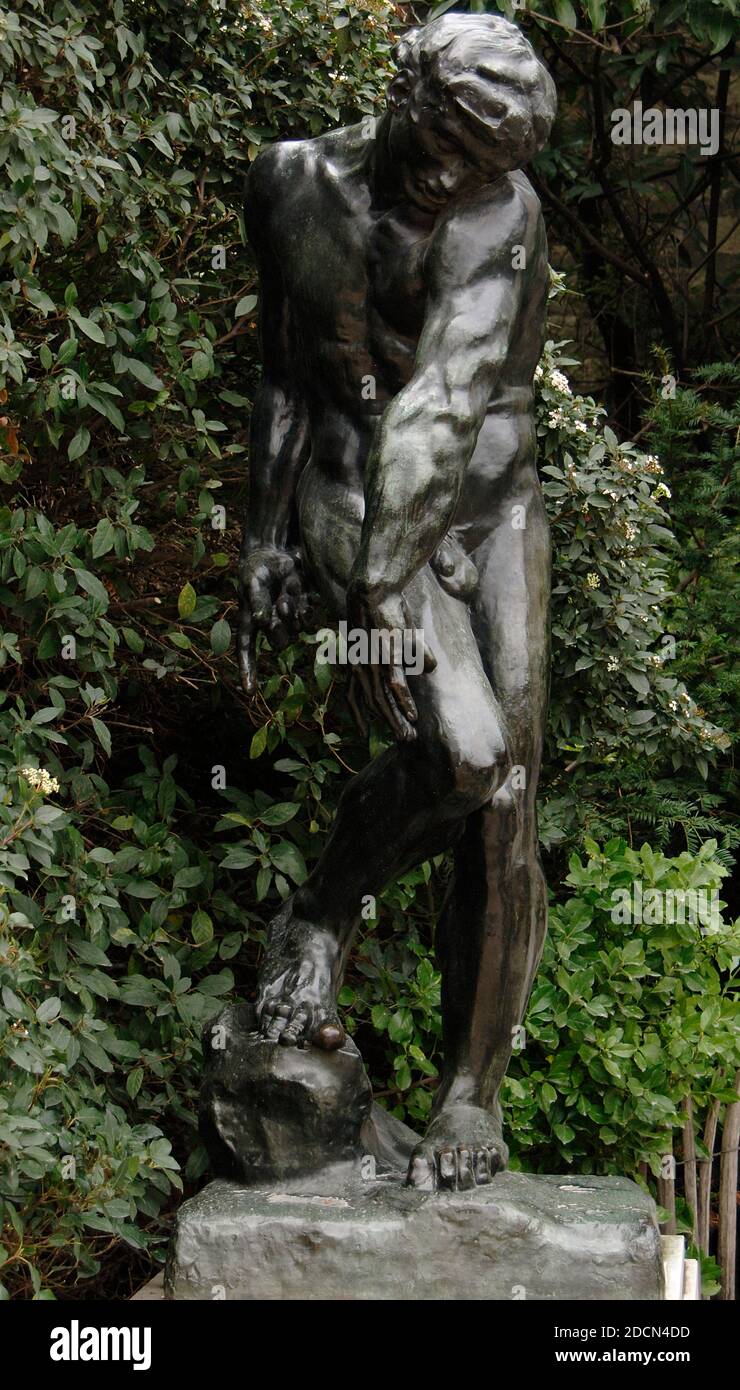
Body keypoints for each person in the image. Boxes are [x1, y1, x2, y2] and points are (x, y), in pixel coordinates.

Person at [237, 13, 556, 1189]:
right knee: (464, 755)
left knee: (505, 797)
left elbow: (449, 399)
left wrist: (389, 594)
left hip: (488, 505)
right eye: (441, 143)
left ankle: (470, 1095)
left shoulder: (500, 214)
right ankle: (319, 911)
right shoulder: (291, 183)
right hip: (349, 485)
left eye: (480, 164)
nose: (450, 177)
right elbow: (283, 367)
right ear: (404, 88)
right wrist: (263, 541)